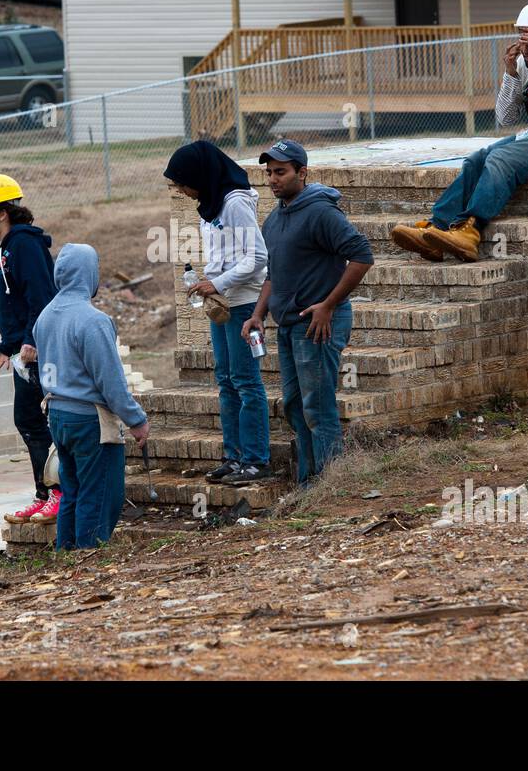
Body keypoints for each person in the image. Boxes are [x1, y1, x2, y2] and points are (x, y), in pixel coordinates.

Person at [391, 0, 528, 263]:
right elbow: (505, 117)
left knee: (501, 160)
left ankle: (470, 231)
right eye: (521, 38)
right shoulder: (523, 66)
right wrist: (511, 74)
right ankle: (439, 227)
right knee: (478, 159)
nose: (524, 47)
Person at [241, 140, 373, 485]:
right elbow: (274, 274)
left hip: (317, 326)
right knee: (295, 407)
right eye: (268, 172)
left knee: (317, 407)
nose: (273, 179)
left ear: (302, 172)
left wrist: (328, 305)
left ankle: (333, 484)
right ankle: (308, 482)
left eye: (280, 172)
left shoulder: (321, 212)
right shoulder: (274, 219)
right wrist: (258, 313)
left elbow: (362, 255)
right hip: (288, 325)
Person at [164, 142, 271, 485]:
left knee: (245, 380)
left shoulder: (235, 202)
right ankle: (233, 455)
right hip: (224, 303)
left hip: (243, 302)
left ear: (200, 175)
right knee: (225, 379)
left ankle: (255, 459)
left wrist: (218, 283)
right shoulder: (210, 205)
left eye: (182, 182)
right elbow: (222, 252)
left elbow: (256, 257)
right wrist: (208, 281)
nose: (181, 190)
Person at [34, 244, 149, 550]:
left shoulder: (45, 317)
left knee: (72, 490)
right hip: (90, 421)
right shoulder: (92, 321)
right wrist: (136, 419)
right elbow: (110, 382)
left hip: (58, 416)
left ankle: (67, 554)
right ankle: (88, 558)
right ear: (89, 274)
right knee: (99, 495)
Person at [0, 174, 62, 525]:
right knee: (29, 420)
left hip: (37, 351)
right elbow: (17, 302)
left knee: (36, 420)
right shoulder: (7, 248)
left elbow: (41, 297)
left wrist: (31, 341)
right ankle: (46, 493)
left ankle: (57, 492)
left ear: (3, 213)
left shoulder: (24, 245)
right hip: (23, 349)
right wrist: (6, 345)